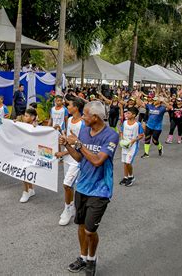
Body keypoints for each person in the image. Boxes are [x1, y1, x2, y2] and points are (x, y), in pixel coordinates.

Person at [60, 101, 119, 275]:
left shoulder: (111, 135)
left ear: (95, 117)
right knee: (80, 226)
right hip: (82, 187)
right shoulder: (84, 130)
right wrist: (67, 145)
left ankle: (92, 260)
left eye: (85, 115)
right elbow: (80, 158)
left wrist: (77, 143)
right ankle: (82, 257)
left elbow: (97, 161)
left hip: (100, 190)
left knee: (89, 230)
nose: (82, 117)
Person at [55, 97, 84, 226]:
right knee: (70, 186)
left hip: (76, 159)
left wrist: (63, 152)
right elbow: (69, 138)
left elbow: (80, 144)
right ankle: (71, 207)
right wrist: (60, 131)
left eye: (70, 105)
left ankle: (67, 210)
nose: (68, 107)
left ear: (76, 107)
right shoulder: (71, 120)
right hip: (68, 158)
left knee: (66, 185)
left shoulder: (83, 123)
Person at [119, 107, 144, 187]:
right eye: (127, 113)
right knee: (124, 162)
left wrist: (134, 140)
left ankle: (131, 177)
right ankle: (125, 177)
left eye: (129, 113)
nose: (127, 114)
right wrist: (122, 138)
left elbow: (141, 135)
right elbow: (121, 131)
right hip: (125, 145)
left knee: (128, 162)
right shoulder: (125, 122)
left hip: (133, 147)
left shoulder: (138, 124)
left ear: (134, 115)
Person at [19, 108, 38, 202]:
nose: (24, 117)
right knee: (24, 171)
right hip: (24, 151)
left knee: (26, 171)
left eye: (26, 116)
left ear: (33, 117)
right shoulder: (24, 125)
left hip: (31, 153)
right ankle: (30, 189)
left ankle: (26, 192)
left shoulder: (36, 126)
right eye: (24, 115)